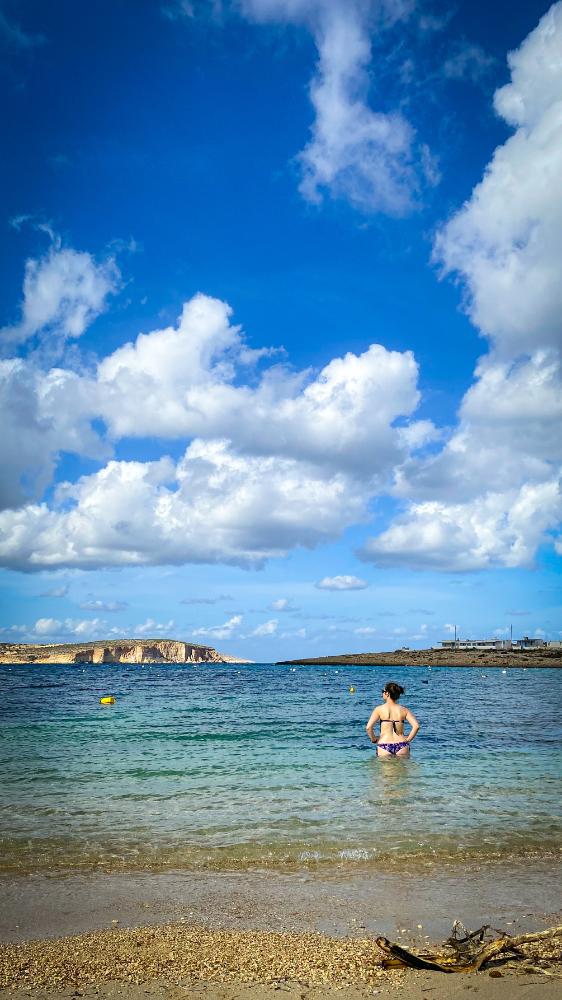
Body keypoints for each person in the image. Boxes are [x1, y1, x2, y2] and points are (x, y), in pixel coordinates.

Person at [365, 682, 420, 758]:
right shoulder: (404, 710)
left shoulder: (379, 709)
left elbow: (368, 727)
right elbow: (416, 726)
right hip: (402, 744)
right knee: (402, 769)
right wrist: (408, 739)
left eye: (383, 691)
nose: (382, 693)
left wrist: (374, 739)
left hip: (384, 745)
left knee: (385, 769)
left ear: (387, 693)